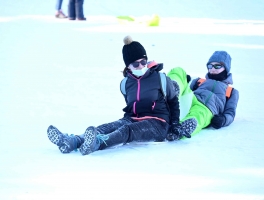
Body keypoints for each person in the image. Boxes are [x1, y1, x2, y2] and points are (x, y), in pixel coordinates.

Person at [46, 35, 183, 155]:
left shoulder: (160, 78)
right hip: (133, 118)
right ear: (128, 66)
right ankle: (73, 141)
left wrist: (175, 124)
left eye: (143, 62)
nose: (140, 66)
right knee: (106, 127)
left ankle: (97, 144)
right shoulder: (125, 84)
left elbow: (173, 101)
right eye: (135, 64)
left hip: (158, 124)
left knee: (127, 130)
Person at [166, 51, 239, 141]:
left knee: (198, 116)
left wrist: (223, 119)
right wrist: (184, 82)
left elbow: (230, 113)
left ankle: (179, 130)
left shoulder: (231, 92)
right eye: (210, 66)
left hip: (207, 109)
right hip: (191, 99)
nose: (212, 69)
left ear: (226, 68)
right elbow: (187, 92)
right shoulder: (198, 81)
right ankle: (169, 91)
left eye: (217, 66)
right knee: (179, 71)